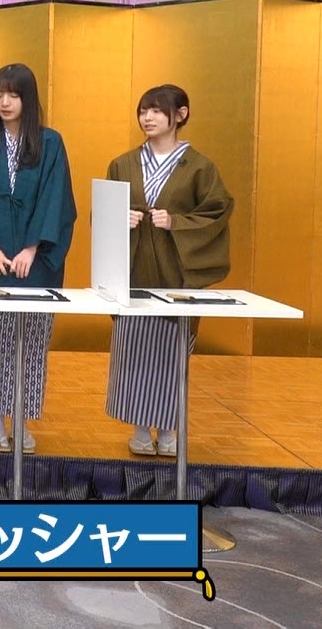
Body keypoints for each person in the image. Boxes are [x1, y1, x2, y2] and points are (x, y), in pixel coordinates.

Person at [0, 64, 76, 453]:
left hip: (32, 263)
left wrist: (32, 248)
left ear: (29, 98)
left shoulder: (50, 143)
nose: (4, 102)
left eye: (13, 95)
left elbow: (57, 199)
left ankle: (21, 420)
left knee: (28, 344)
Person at [105, 84, 233, 456]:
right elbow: (104, 208)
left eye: (157, 111)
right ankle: (140, 428)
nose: (148, 118)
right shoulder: (123, 164)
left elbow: (217, 212)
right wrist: (119, 217)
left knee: (172, 353)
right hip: (134, 272)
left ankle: (169, 429)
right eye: (143, 110)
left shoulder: (201, 167)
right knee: (134, 351)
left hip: (177, 274)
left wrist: (176, 221)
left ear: (180, 114)